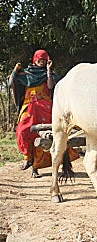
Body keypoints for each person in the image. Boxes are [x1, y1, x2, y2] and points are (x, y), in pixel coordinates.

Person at [9, 49, 79, 178]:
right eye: (39, 60)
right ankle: (28, 158)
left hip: (46, 108)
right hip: (29, 108)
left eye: (44, 61)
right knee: (22, 131)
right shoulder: (25, 74)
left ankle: (36, 167)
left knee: (50, 136)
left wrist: (48, 70)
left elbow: (51, 86)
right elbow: (11, 84)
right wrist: (14, 72)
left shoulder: (50, 74)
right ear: (35, 60)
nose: (41, 63)